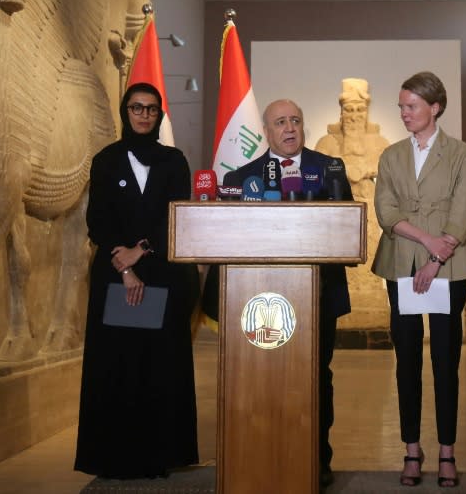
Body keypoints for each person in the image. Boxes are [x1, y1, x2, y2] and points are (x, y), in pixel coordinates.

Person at [202, 99, 352, 489]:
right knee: (257, 380)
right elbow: (228, 237)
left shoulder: (329, 167)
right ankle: (254, 454)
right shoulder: (241, 176)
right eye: (280, 122)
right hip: (256, 301)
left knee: (317, 378)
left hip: (318, 296)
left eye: (296, 121)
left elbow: (346, 225)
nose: (289, 128)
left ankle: (317, 458)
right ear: (266, 132)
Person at [74, 82, 200, 479]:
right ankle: (114, 458)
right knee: (117, 364)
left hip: (163, 274)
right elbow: (99, 220)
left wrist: (141, 251)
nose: (143, 115)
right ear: (125, 112)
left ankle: (159, 455)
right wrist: (126, 268)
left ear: (159, 115)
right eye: (136, 108)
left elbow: (178, 214)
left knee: (158, 365)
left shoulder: (174, 160)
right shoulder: (106, 160)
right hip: (116, 277)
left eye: (150, 109)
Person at [371, 72, 466, 488]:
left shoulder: (462, 154)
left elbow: (463, 211)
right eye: (401, 106)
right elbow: (386, 211)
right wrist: (425, 242)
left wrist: (436, 255)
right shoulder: (391, 155)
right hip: (400, 265)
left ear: (435, 108)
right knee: (407, 361)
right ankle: (412, 449)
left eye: (410, 106)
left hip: (449, 269)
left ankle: (448, 452)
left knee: (446, 361)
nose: (403, 114)